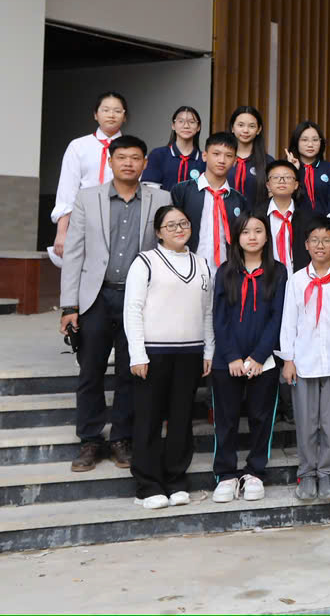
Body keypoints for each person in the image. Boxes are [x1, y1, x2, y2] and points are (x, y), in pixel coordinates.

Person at [59, 135, 170, 473]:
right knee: (90, 370)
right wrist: (69, 306)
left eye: (135, 158)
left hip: (138, 300)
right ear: (110, 161)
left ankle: (122, 437)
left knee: (129, 370)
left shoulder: (161, 198)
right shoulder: (88, 197)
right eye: (122, 157)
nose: (128, 163)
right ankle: (90, 440)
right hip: (95, 296)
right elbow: (74, 252)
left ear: (145, 163)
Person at [123, 205, 214, 510]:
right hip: (154, 353)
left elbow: (207, 311)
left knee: (181, 418)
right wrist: (137, 353)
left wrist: (208, 350)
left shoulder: (201, 263)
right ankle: (147, 485)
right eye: (171, 225)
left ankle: (176, 480)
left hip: (190, 352)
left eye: (183, 223)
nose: (179, 229)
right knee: (148, 418)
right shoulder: (145, 262)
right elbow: (132, 309)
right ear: (158, 232)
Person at [280, 218, 330, 503]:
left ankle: (328, 472)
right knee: (306, 420)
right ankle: (307, 472)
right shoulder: (296, 280)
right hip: (304, 360)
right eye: (314, 240)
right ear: (306, 245)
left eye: (326, 240)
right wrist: (288, 359)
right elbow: (288, 322)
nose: (320, 245)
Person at [210, 214, 285, 504]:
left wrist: (258, 356)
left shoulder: (278, 272)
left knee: (261, 417)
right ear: (236, 238)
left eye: (258, 231)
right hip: (227, 361)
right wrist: (231, 356)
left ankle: (255, 472)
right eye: (245, 232)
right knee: (226, 419)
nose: (252, 237)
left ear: (267, 237)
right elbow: (219, 317)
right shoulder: (225, 271)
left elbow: (277, 317)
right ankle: (226, 474)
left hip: (263, 361)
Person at [52, 91, 127, 257]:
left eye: (117, 111)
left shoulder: (132, 148)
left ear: (124, 116)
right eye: (105, 110)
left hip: (121, 218)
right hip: (84, 218)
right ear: (95, 114)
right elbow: (67, 190)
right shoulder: (78, 146)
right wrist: (62, 232)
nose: (111, 115)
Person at [170, 132, 248, 272]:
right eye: (216, 154)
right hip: (186, 268)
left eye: (228, 156)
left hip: (226, 272)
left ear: (235, 161)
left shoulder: (238, 200)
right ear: (205, 156)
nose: (222, 160)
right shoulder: (182, 191)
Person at [257, 159, 309, 272]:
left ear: (296, 185)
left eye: (287, 177)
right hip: (266, 276)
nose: (282, 181)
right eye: (276, 177)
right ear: (268, 185)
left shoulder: (308, 218)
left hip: (300, 277)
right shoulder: (256, 216)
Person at [141, 106, 204, 191]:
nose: (186, 126)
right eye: (181, 121)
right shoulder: (158, 155)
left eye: (192, 122)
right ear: (173, 125)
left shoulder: (204, 159)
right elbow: (150, 191)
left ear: (198, 127)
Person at [287, 121, 330, 218]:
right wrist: (292, 171)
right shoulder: (287, 168)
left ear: (321, 142)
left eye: (315, 140)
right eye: (304, 140)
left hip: (325, 224)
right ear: (296, 142)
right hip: (294, 223)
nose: (310, 144)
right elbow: (284, 198)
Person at [228, 106, 270, 205]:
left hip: (257, 214)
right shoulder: (222, 159)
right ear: (232, 128)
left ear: (259, 130)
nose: (245, 130)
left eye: (251, 126)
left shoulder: (268, 161)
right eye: (241, 125)